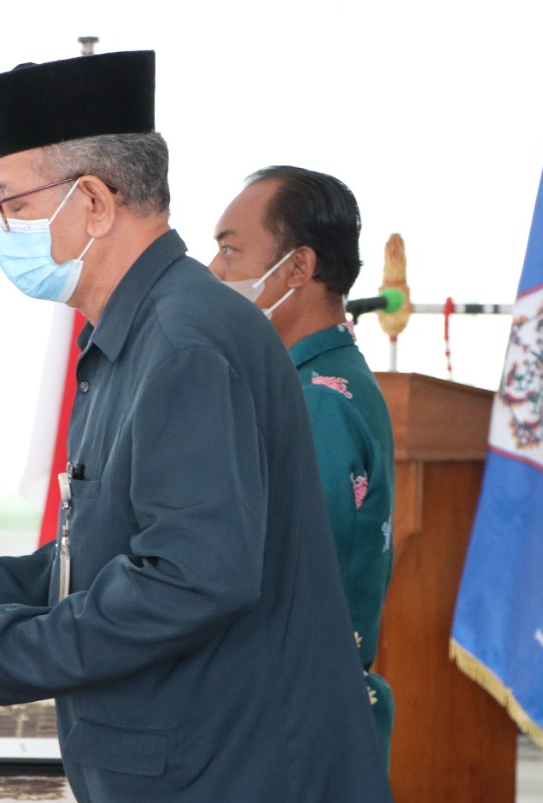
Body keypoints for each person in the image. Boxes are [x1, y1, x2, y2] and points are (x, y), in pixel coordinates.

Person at [0, 52, 404, 803]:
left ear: (95, 202)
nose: (3, 226)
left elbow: (190, 578)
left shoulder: (184, 342)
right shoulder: (137, 334)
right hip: (206, 793)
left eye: (13, 203)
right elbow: (111, 554)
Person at [208, 165, 397, 765]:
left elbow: (278, 586)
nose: (214, 271)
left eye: (230, 250)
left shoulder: (316, 401)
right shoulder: (307, 382)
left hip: (290, 727)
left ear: (298, 268)